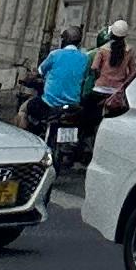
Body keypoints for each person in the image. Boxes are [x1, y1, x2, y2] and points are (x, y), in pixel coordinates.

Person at [37, 25, 96, 165]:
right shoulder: (84, 58)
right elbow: (85, 76)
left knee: (26, 109)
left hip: (50, 103)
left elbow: (41, 70)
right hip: (73, 104)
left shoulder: (55, 55)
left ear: (64, 40)